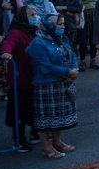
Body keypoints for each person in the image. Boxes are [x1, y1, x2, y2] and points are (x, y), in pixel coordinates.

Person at [26, 13, 79, 160]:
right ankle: (47, 147)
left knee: (59, 115)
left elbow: (72, 54)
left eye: (62, 24)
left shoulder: (62, 39)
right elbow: (44, 66)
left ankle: (57, 142)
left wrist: (74, 69)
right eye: (59, 24)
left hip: (63, 82)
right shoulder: (38, 43)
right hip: (46, 84)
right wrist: (67, 71)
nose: (62, 27)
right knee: (46, 117)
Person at [0, 5, 38, 152]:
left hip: (34, 76)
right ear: (23, 17)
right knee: (19, 111)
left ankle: (36, 133)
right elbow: (8, 44)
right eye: (32, 15)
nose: (35, 17)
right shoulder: (16, 32)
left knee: (34, 108)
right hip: (20, 78)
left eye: (35, 14)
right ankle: (19, 140)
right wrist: (6, 53)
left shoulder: (33, 31)